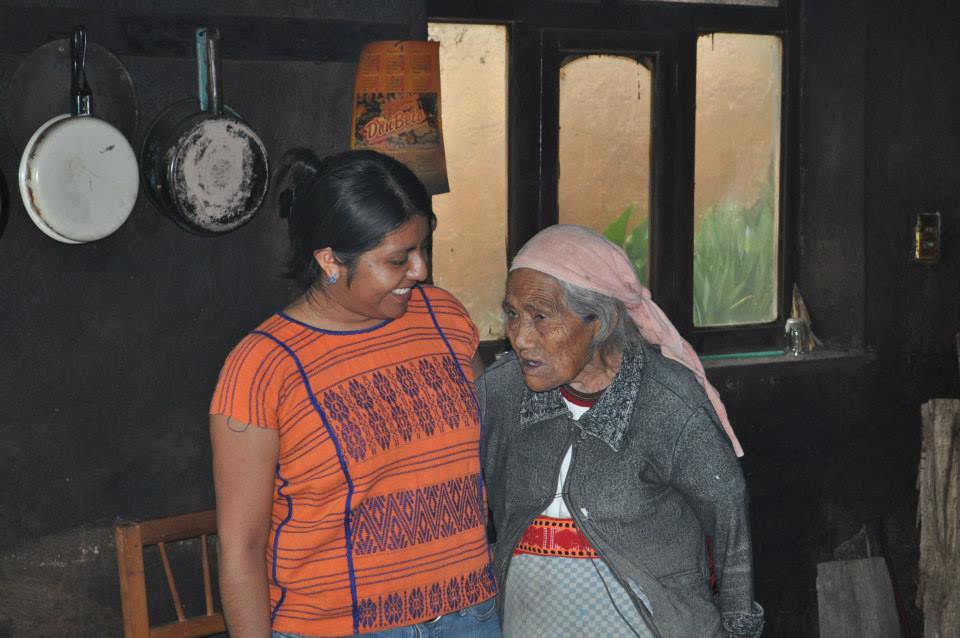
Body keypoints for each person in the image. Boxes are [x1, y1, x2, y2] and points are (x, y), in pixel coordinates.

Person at [210, 148, 500, 638]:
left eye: (423, 248)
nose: (420, 270)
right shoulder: (264, 367)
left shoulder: (444, 318)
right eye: (396, 259)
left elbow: (491, 454)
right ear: (329, 260)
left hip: (470, 614)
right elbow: (242, 546)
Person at [478, 224, 764, 638]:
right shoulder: (501, 392)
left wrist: (739, 629)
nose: (520, 338)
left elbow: (728, 515)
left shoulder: (666, 402)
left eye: (540, 317)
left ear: (599, 322)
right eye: (512, 314)